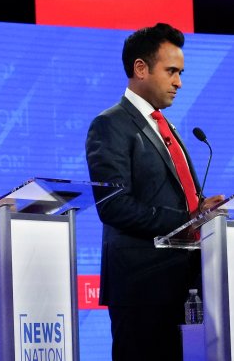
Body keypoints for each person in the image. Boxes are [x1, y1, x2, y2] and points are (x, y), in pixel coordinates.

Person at [85, 23, 224, 361]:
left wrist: (201, 209)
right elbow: (113, 205)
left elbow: (176, 198)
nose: (179, 82)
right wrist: (186, 220)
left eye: (181, 72)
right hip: (142, 288)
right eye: (171, 71)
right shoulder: (111, 124)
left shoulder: (166, 126)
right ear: (140, 68)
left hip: (186, 284)